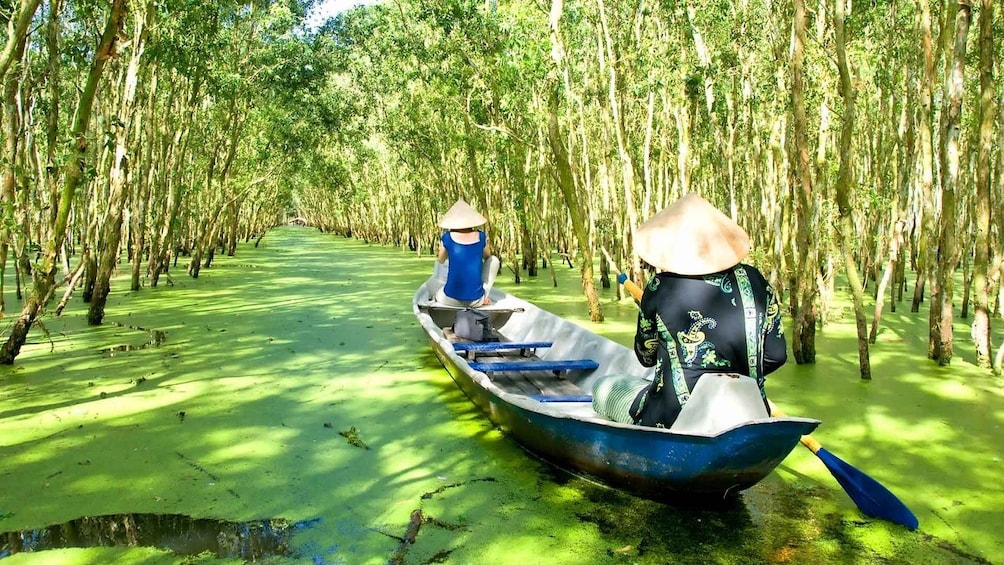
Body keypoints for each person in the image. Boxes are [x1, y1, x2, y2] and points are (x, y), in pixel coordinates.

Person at [591, 193, 787, 428]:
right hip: (750, 416)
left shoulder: (659, 287)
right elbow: (776, 356)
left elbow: (645, 356)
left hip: (673, 418)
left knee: (602, 386)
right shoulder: (755, 281)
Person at [434, 199, 500, 308]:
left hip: (449, 299)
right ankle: (484, 296)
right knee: (494, 260)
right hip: (476, 301)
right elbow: (488, 257)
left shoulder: (447, 238)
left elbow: (440, 262)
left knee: (436, 289)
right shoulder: (481, 237)